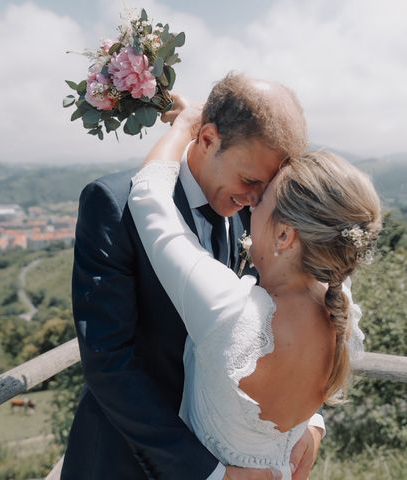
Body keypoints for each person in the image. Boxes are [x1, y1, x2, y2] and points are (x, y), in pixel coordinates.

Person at [61, 73, 325, 480]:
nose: (255, 199)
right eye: (250, 181)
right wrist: (209, 472)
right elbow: (109, 363)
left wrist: (304, 420)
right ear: (206, 139)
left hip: (227, 449)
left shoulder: (256, 213)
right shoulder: (113, 205)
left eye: (266, 186)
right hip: (125, 462)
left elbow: (287, 314)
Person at [126, 109, 381, 479]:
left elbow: (148, 197)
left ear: (284, 236)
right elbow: (327, 202)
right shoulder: (340, 304)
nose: (249, 204)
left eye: (261, 201)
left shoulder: (230, 309)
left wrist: (184, 126)